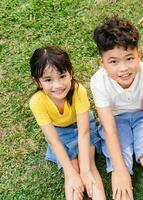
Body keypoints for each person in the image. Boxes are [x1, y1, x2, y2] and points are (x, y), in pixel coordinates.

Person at [90, 17, 143, 200]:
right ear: (102, 62)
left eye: (129, 59)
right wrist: (121, 170)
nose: (123, 68)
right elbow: (109, 129)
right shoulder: (98, 81)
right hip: (116, 120)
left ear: (138, 55)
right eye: (114, 62)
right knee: (120, 174)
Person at [29, 46, 106, 200]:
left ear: (70, 73)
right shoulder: (37, 102)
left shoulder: (78, 90)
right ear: (37, 82)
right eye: (48, 80)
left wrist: (84, 170)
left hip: (82, 125)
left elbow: (84, 131)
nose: (58, 85)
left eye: (62, 76)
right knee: (70, 169)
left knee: (89, 166)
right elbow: (54, 140)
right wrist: (72, 173)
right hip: (59, 132)